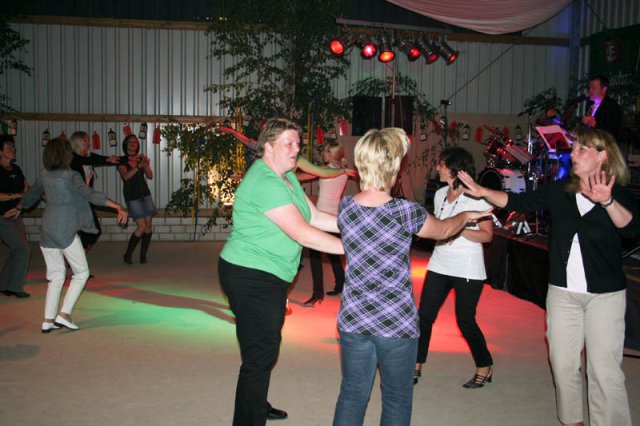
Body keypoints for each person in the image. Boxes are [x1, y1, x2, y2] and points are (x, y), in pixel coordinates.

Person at [458, 127, 639, 426]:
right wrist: (484, 191)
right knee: (563, 365)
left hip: (604, 296)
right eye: (574, 147)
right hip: (563, 294)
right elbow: (519, 202)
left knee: (604, 371)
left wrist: (607, 202)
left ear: (602, 156)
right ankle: (572, 421)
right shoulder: (560, 190)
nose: (573, 153)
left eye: (581, 149)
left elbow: (631, 229)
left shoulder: (618, 193)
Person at [333, 128, 490, 426]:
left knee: (352, 395)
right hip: (396, 322)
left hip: (354, 319)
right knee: (396, 398)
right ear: (393, 169)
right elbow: (444, 230)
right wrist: (466, 216)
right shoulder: (405, 211)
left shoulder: (346, 207)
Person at [218, 118, 345, 425]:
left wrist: (357, 228)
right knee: (260, 355)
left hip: (270, 275)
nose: (296, 149)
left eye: (298, 143)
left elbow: (314, 216)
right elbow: (302, 232)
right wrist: (356, 248)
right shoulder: (264, 181)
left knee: (265, 346)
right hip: (249, 275)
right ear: (268, 146)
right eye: (288, 143)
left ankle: (256, 404)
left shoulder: (286, 177)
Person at [5, 137, 128, 332]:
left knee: (56, 276)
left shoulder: (45, 174)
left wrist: (20, 207)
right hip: (65, 230)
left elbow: (32, 194)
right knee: (82, 273)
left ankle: (48, 320)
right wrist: (118, 206)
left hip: (47, 230)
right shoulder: (71, 176)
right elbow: (90, 194)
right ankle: (64, 314)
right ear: (65, 154)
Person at [414, 147, 494, 388]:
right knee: (424, 317)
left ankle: (484, 365)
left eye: (441, 164)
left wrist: (458, 230)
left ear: (453, 169)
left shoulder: (477, 198)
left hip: (467, 267)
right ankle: (415, 364)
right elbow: (439, 225)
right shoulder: (440, 194)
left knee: (465, 320)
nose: (437, 168)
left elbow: (487, 236)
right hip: (439, 263)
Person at [297, 140, 350, 306]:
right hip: (335, 218)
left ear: (330, 153)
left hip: (321, 218)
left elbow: (301, 177)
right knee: (333, 255)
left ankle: (317, 294)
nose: (323, 153)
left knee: (315, 257)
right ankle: (341, 284)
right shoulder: (344, 171)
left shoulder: (325, 170)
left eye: (325, 151)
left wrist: (283, 175)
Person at [69, 131, 120, 252]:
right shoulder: (72, 158)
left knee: (93, 231)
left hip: (86, 198)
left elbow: (92, 158)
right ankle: (78, 258)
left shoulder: (87, 158)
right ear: (77, 143)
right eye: (85, 141)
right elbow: (89, 160)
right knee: (87, 231)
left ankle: (80, 256)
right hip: (75, 200)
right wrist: (107, 159)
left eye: (88, 140)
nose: (88, 143)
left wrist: (114, 159)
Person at [0, 135, 31, 298]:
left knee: (16, 250)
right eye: (8, 148)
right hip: (2, 217)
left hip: (16, 216)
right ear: (0, 152)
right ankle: (15, 287)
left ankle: (3, 284)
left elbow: (26, 187)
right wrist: (16, 195)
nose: (13, 150)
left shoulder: (16, 169)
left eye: (13, 147)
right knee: (23, 249)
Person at [118, 134, 155, 264]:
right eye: (130, 142)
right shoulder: (122, 161)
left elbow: (150, 175)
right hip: (132, 197)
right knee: (142, 226)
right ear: (126, 145)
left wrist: (145, 165)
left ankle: (143, 256)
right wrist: (138, 166)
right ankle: (127, 254)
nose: (133, 144)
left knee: (148, 227)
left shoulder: (141, 158)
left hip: (145, 194)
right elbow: (126, 176)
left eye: (135, 142)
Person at [581, 75, 622, 142]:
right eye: (589, 88)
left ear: (604, 89)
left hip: (603, 144)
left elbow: (613, 132)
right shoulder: (590, 104)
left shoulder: (612, 106)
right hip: (589, 141)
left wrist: (594, 124)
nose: (590, 91)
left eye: (593, 88)